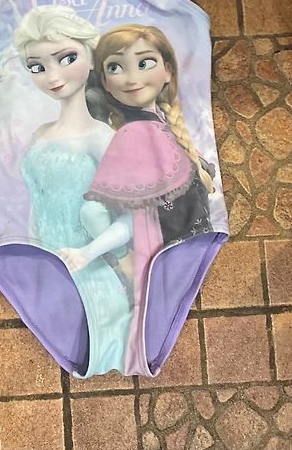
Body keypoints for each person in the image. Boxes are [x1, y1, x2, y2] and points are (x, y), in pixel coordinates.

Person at [60, 24, 215, 375]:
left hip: (180, 246)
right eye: (116, 67)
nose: (131, 77)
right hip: (163, 249)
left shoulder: (161, 125)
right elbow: (95, 210)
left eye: (145, 63)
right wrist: (120, 260)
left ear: (167, 70)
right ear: (105, 81)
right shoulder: (131, 136)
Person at [14, 5, 133, 377]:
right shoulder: (40, 134)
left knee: (91, 347)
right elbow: (37, 205)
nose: (53, 76)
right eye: (37, 67)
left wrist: (88, 252)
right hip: (47, 272)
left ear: (91, 57)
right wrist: (33, 257)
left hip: (90, 273)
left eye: (66, 59)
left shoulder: (101, 138)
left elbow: (133, 217)